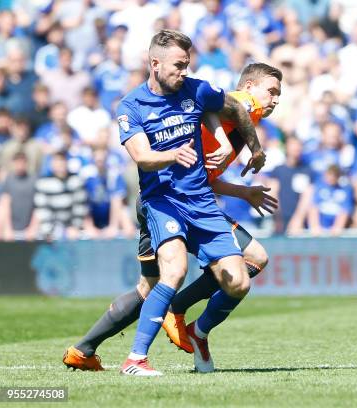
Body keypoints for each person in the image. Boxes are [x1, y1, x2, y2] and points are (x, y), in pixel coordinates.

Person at [62, 59, 280, 374]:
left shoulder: (232, 120)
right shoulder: (244, 105)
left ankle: (83, 350)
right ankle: (176, 313)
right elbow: (223, 108)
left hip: (160, 198)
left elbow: (207, 175)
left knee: (149, 288)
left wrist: (244, 192)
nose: (274, 100)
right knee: (253, 258)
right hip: (176, 201)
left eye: (278, 95)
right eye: (271, 91)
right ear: (248, 87)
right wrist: (248, 147)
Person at [115, 29, 268, 376]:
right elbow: (141, 156)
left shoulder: (197, 90)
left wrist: (255, 150)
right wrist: (173, 154)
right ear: (155, 64)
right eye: (178, 65)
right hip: (163, 201)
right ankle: (135, 360)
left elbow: (238, 109)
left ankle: (198, 333)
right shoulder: (131, 105)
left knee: (239, 281)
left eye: (186, 65)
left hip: (202, 202)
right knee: (175, 270)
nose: (183, 71)